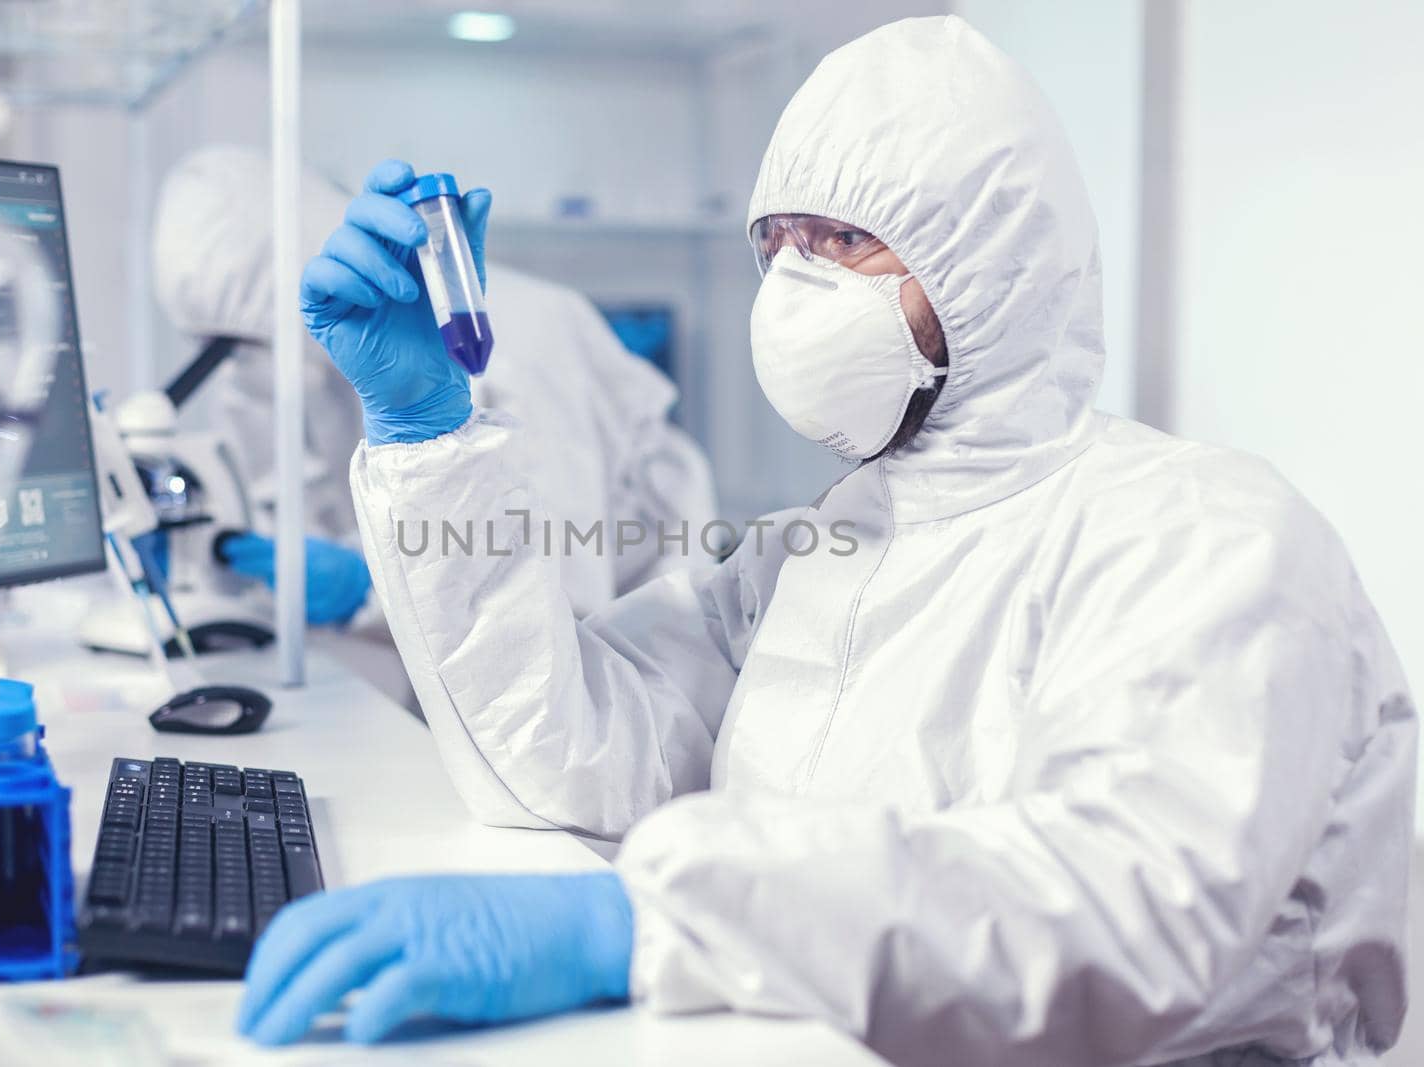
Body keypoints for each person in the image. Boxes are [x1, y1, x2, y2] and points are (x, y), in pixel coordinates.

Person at [236, 16, 1416, 1067]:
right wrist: (431, 432)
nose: (796, 285)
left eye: (844, 241)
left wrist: (655, 920)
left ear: (989, 266)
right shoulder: (813, 549)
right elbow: (574, 755)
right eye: (780, 241)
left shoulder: (1206, 537)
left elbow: (1117, 909)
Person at [150, 145, 719, 635]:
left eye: (243, 348)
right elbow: (303, 498)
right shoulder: (294, 357)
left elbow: (555, 594)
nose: (243, 373)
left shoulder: (512, 342)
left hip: (627, 652)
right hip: (455, 674)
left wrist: (367, 590)